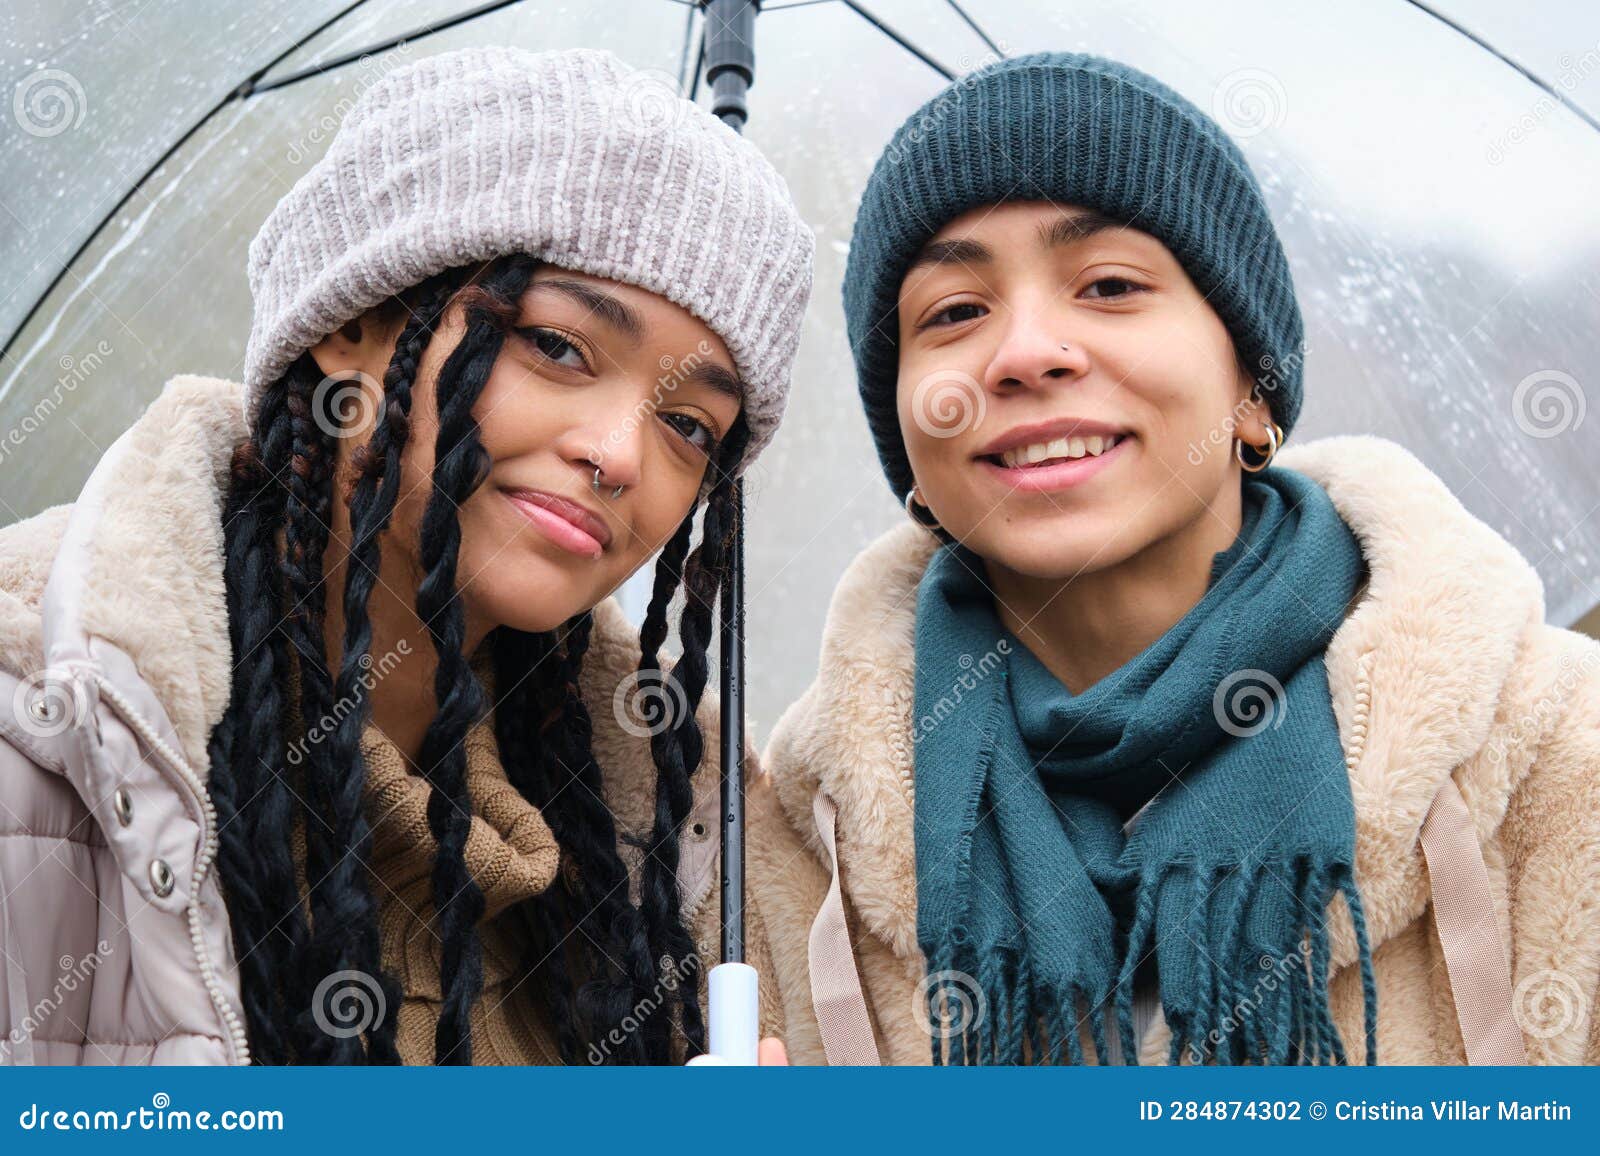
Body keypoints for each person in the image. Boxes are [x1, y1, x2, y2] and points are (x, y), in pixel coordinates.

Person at [748, 51, 1600, 1065]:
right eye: (954, 313)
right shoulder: (784, 849)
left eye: (1108, 285)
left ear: (1252, 391)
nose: (1024, 351)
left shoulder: (1558, 752)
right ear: (913, 461)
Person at [0, 45, 812, 1066]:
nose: (618, 455)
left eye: (690, 424)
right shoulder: (44, 740)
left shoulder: (674, 848)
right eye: (557, 348)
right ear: (353, 324)